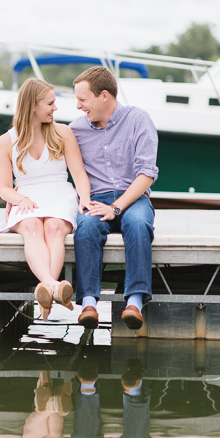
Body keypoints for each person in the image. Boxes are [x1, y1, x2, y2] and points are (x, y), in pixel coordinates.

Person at [0, 78, 91, 320]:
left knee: (54, 227)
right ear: (32, 106)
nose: (55, 108)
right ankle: (53, 286)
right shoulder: (5, 142)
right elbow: (4, 188)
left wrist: (85, 199)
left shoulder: (62, 133)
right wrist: (19, 198)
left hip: (60, 193)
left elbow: (79, 173)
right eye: (50, 103)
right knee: (33, 226)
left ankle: (46, 289)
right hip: (26, 195)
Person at [69, 66, 158, 330]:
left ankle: (135, 302)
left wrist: (116, 208)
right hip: (96, 198)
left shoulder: (138, 119)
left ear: (104, 96)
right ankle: (88, 304)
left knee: (139, 225)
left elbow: (147, 174)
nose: (78, 106)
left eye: (83, 100)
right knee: (85, 227)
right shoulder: (75, 130)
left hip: (134, 197)